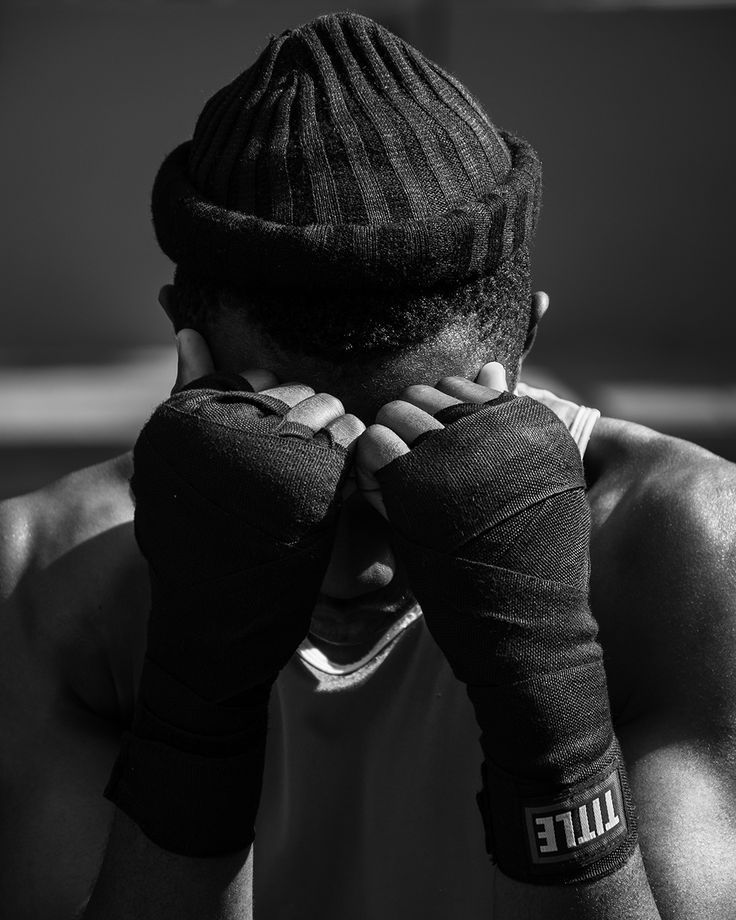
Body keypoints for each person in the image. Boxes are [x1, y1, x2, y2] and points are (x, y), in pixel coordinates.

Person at [1, 11, 734, 920]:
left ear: (527, 343)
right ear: (186, 356)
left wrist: (551, 710)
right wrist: (198, 698)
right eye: (299, 456)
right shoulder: (40, 580)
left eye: (422, 452)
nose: (355, 562)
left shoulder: (684, 549)